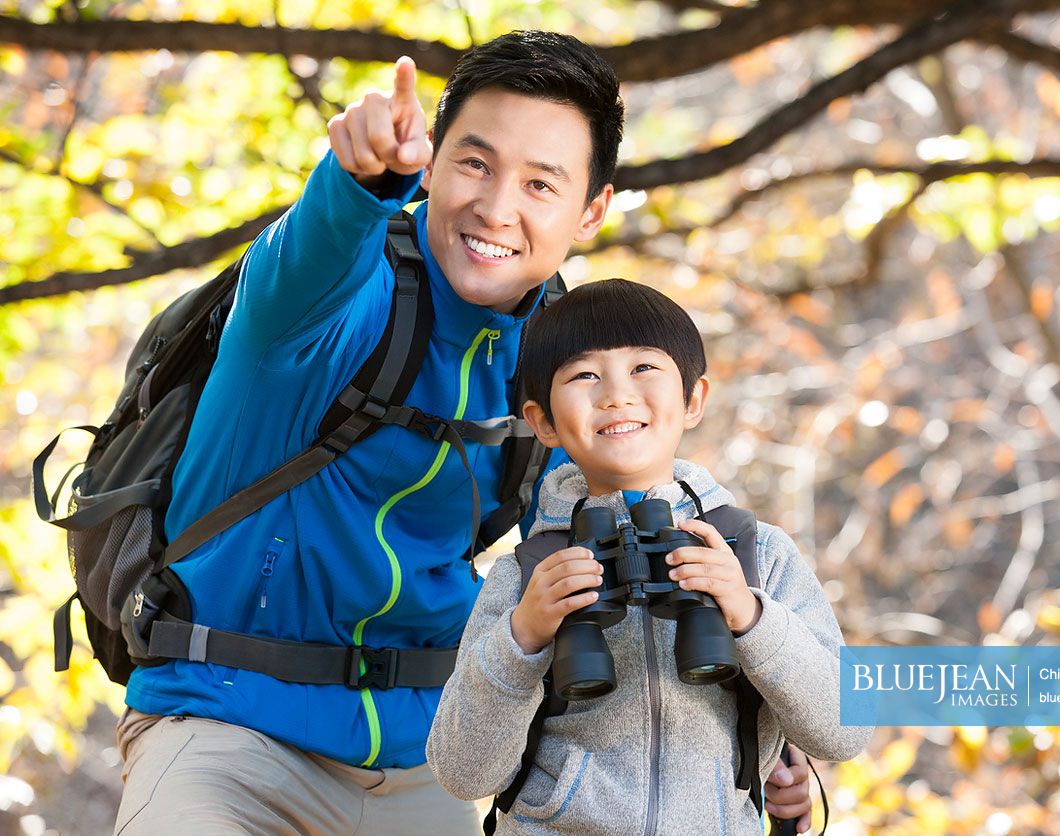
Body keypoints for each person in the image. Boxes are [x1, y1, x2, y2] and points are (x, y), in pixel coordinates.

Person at [111, 31, 813, 835]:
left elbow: (608, 570)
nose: (496, 206)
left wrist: (755, 728)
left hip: (425, 762)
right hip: (225, 735)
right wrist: (361, 180)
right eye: (474, 163)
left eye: (540, 183)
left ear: (590, 211)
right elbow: (314, 247)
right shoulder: (327, 297)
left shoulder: (562, 360)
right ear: (433, 165)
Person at [426, 279, 872, 834]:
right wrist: (523, 636)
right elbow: (463, 774)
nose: (616, 394)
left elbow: (846, 730)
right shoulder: (528, 574)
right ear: (542, 421)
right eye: (585, 375)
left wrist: (750, 616)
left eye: (644, 368)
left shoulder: (758, 553)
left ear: (693, 399)